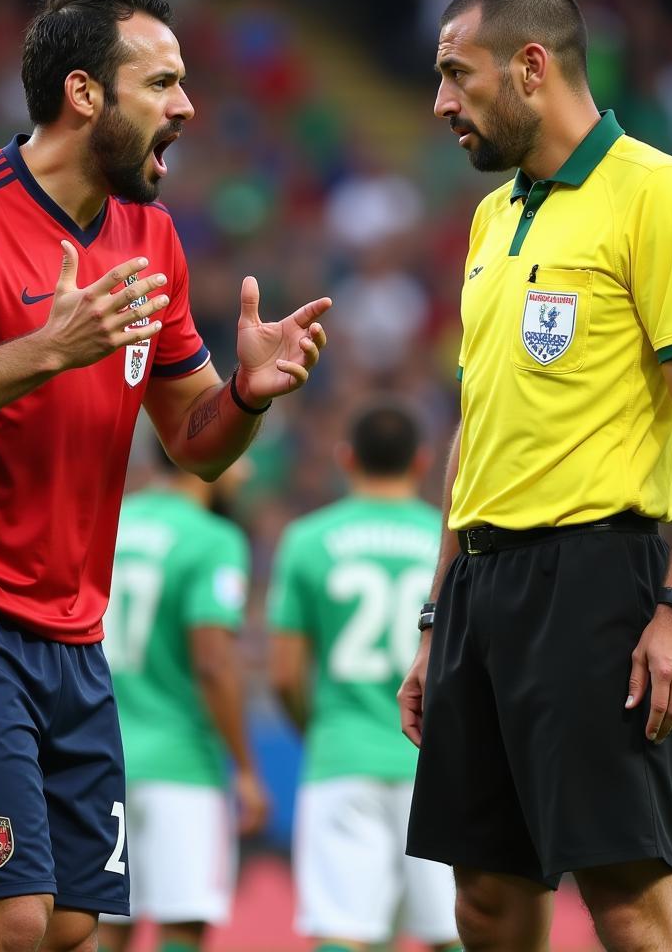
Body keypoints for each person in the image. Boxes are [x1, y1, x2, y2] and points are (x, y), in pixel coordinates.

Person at [0, 0, 330, 952]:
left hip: (69, 627)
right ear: (85, 94)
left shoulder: (149, 237)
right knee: (10, 914)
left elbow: (191, 438)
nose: (187, 106)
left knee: (71, 921)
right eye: (164, 82)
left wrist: (246, 396)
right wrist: (46, 351)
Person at [398, 0, 672, 952]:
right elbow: (477, 425)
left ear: (531, 66)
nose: (440, 103)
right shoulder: (492, 217)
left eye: (457, 75)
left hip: (594, 581)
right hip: (480, 590)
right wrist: (435, 612)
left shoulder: (658, 192)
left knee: (626, 899)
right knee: (486, 902)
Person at [268, 401, 461, 952]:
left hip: (342, 754)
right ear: (424, 462)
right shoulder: (447, 542)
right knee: (454, 929)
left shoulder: (307, 540)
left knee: (341, 930)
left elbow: (283, 674)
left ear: (346, 458)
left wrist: (321, 727)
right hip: (436, 760)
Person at [97, 446, 268, 952]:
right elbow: (213, 662)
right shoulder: (213, 539)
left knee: (104, 922)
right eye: (242, 454)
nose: (250, 469)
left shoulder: (110, 522)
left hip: (100, 760)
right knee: (183, 922)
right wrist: (244, 766)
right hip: (182, 765)